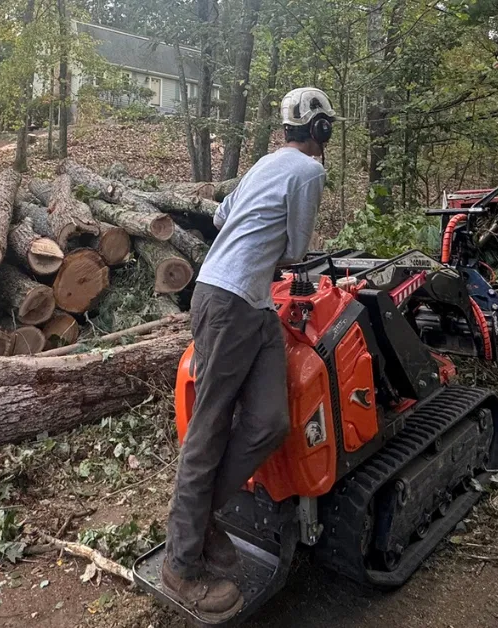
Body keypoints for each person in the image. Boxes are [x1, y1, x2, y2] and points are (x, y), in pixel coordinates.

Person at [161, 87, 336, 621]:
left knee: (269, 422)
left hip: (253, 304)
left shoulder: (266, 163)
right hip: (228, 301)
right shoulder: (308, 171)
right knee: (210, 427)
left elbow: (221, 215)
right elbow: (297, 250)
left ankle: (202, 519)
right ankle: (181, 565)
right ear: (321, 129)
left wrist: (254, 234)